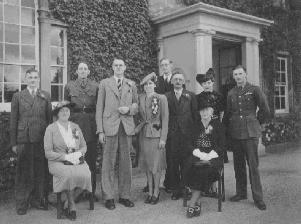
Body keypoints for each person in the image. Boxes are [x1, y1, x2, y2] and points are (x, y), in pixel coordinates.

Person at [96, 58, 138, 210]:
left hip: (126, 126)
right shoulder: (104, 83)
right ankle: (108, 196)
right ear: (112, 67)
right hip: (109, 126)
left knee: (126, 162)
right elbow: (99, 108)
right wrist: (100, 130)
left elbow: (136, 104)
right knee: (108, 162)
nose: (118, 67)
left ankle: (125, 195)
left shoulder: (131, 84)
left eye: (121, 65)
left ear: (125, 67)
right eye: (116, 65)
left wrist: (129, 110)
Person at [227, 65, 270, 210]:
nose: (238, 76)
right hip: (236, 133)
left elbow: (264, 108)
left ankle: (258, 198)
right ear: (233, 77)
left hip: (250, 133)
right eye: (235, 74)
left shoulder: (254, 89)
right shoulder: (231, 93)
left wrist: (257, 122)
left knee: (253, 166)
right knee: (238, 165)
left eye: (240, 73)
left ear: (245, 74)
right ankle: (241, 193)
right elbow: (228, 113)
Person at [10, 69, 52, 215]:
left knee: (40, 171)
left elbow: (49, 120)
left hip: (40, 138)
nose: (33, 80)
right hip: (24, 139)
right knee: (23, 172)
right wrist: (14, 143)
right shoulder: (18, 96)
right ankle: (22, 203)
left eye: (35, 77)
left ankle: (38, 200)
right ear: (25, 79)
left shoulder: (45, 95)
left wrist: (50, 141)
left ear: (38, 80)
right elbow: (13, 120)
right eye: (30, 78)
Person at [44, 101, 92, 221]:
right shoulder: (51, 129)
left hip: (76, 160)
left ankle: (66, 202)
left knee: (86, 175)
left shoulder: (75, 127)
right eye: (62, 111)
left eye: (67, 110)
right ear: (57, 114)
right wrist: (65, 157)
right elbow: (48, 153)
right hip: (58, 162)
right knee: (68, 175)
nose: (65, 113)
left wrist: (78, 154)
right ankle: (71, 205)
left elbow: (84, 146)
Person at [64, 62, 99, 201]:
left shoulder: (96, 86)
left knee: (90, 159)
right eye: (80, 69)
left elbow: (99, 107)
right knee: (76, 160)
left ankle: (91, 191)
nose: (83, 71)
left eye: (85, 69)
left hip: (91, 125)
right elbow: (65, 108)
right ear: (77, 71)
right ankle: (77, 192)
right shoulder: (69, 86)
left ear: (88, 72)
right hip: (75, 125)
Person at [185, 104, 225, 218]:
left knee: (204, 170)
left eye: (207, 110)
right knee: (189, 166)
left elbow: (222, 145)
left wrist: (209, 155)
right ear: (199, 112)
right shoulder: (194, 125)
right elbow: (188, 143)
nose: (204, 112)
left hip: (213, 156)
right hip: (198, 154)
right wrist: (198, 153)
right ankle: (197, 202)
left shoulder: (218, 125)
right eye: (202, 110)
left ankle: (192, 203)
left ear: (212, 112)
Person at [135, 72, 169, 205]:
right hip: (144, 134)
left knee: (156, 165)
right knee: (147, 164)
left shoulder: (161, 98)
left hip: (156, 135)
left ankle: (156, 191)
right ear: (143, 87)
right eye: (146, 84)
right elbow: (137, 114)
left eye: (150, 83)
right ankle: (149, 191)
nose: (148, 86)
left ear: (155, 85)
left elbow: (165, 120)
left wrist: (163, 138)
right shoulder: (140, 98)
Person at [165, 68, 198, 200]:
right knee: (172, 162)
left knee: (186, 162)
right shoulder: (166, 96)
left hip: (187, 134)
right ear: (172, 81)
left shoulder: (191, 95)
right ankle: (176, 189)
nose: (178, 81)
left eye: (180, 79)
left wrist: (195, 134)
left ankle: (186, 187)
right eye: (175, 79)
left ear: (184, 81)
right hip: (172, 134)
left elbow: (195, 116)